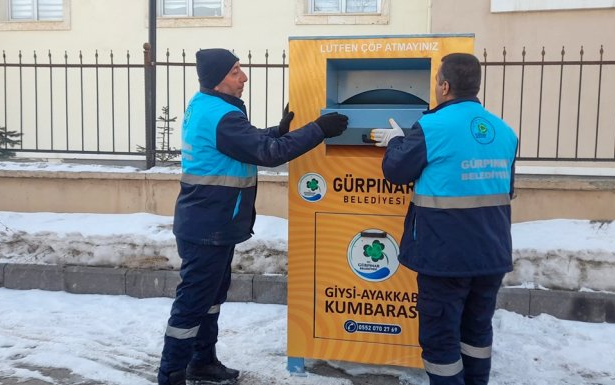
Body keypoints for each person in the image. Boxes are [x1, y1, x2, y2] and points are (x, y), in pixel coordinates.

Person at [158, 48, 348, 385]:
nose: (243, 77)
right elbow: (268, 154)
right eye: (235, 71)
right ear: (218, 78)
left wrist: (278, 129)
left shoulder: (206, 105)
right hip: (209, 225)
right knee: (193, 304)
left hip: (207, 220)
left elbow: (243, 143)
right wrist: (318, 129)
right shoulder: (222, 116)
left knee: (210, 299)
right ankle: (171, 374)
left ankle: (202, 362)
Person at [370, 53, 518, 385]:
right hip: (491, 254)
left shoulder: (431, 127)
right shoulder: (505, 131)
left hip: (445, 256)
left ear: (445, 86)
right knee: (476, 333)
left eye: (437, 80)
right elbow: (506, 189)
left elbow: (395, 172)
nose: (436, 86)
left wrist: (397, 142)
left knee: (440, 340)